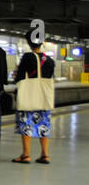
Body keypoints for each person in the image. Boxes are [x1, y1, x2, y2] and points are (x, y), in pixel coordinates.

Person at [11, 33, 55, 165]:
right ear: (41, 43)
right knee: (43, 124)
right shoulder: (50, 60)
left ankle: (26, 155)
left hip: (29, 95)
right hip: (44, 96)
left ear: (29, 43)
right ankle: (45, 155)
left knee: (26, 123)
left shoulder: (27, 57)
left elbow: (19, 77)